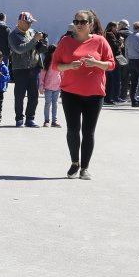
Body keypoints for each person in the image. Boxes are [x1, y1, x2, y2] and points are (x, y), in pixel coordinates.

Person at [53, 10, 115, 179]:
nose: (79, 25)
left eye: (83, 22)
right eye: (76, 21)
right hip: (70, 93)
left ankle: (85, 168)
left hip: (94, 94)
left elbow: (111, 65)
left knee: (88, 132)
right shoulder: (66, 41)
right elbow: (55, 65)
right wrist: (69, 66)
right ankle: (75, 163)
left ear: (91, 24)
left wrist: (96, 63)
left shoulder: (100, 41)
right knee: (73, 129)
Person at [7, 11, 42, 127]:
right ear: (20, 22)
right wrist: (34, 40)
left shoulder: (32, 32)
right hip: (20, 69)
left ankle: (30, 118)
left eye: (31, 22)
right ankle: (19, 119)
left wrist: (42, 42)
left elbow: (38, 48)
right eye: (28, 22)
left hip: (34, 68)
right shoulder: (13, 35)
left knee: (34, 96)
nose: (30, 24)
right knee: (19, 95)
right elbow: (19, 49)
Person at [124, 20, 139, 105]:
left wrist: (128, 60)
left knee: (134, 82)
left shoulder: (129, 37)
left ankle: (133, 101)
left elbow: (126, 51)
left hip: (131, 61)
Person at [40, 50, 62, 129]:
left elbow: (62, 73)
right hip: (48, 87)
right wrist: (41, 87)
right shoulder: (46, 63)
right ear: (50, 53)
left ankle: (54, 121)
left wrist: (63, 85)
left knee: (55, 104)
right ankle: (46, 121)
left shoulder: (59, 62)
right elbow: (42, 76)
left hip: (57, 87)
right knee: (48, 104)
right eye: (54, 52)